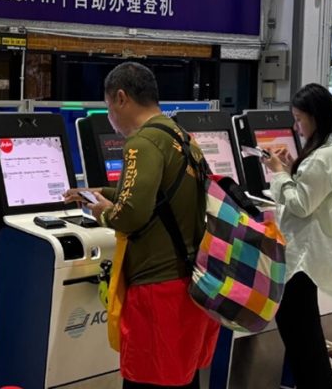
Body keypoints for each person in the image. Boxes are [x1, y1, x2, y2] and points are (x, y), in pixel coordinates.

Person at [64, 62, 219, 389]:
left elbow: (131, 215)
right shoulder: (182, 137)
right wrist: (97, 193)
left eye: (108, 106)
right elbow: (160, 195)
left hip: (155, 289)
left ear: (121, 98)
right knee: (182, 376)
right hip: (188, 282)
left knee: (145, 379)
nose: (110, 116)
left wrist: (101, 212)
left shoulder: (141, 143)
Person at [260, 83, 332, 389]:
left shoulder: (323, 157)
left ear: (315, 117)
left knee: (303, 343)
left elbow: (301, 204)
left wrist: (277, 172)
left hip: (302, 261)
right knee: (306, 340)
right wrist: (293, 168)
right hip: (313, 258)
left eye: (299, 119)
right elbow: (314, 190)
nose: (296, 126)